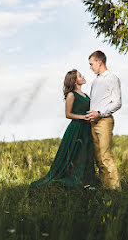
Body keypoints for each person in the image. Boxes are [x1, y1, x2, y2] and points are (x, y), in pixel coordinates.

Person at [30, 69, 96, 188]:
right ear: (75, 81)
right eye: (80, 76)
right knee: (73, 156)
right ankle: (73, 181)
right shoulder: (71, 95)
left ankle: (87, 182)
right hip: (76, 129)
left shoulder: (85, 95)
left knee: (86, 154)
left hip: (86, 129)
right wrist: (82, 117)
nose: (83, 76)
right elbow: (68, 114)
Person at [86, 51, 122, 190]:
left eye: (91, 64)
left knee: (106, 156)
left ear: (99, 62)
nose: (90, 67)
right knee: (99, 157)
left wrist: (100, 113)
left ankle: (116, 190)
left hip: (104, 120)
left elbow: (117, 102)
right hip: (93, 122)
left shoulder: (112, 78)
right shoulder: (95, 81)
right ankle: (105, 188)